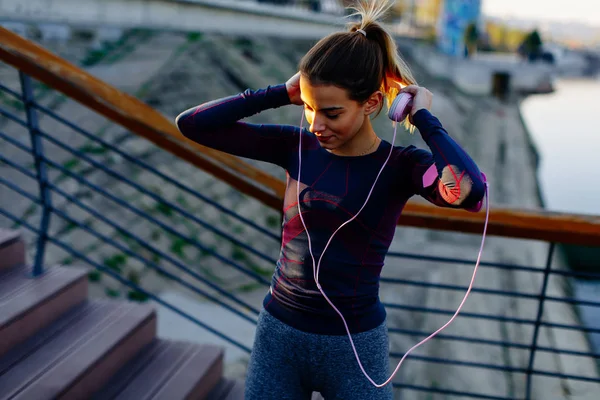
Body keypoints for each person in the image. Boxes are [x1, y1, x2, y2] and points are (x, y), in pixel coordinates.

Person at [175, 1, 486, 398]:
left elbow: (469, 190)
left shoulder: (402, 167)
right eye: (308, 108)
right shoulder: (294, 146)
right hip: (278, 337)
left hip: (355, 348)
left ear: (372, 104)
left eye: (332, 113)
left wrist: (424, 117)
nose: (316, 124)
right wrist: (279, 92)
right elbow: (193, 125)